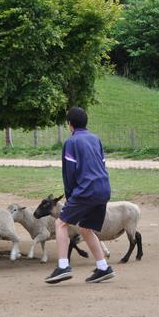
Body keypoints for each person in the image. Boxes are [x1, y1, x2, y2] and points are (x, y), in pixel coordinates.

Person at [44, 107, 115, 284]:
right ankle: (103, 268)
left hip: (86, 190)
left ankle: (63, 266)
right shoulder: (95, 139)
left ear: (70, 125)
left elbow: (70, 173)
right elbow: (102, 164)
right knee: (85, 227)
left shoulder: (71, 143)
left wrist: (70, 196)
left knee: (60, 223)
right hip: (103, 189)